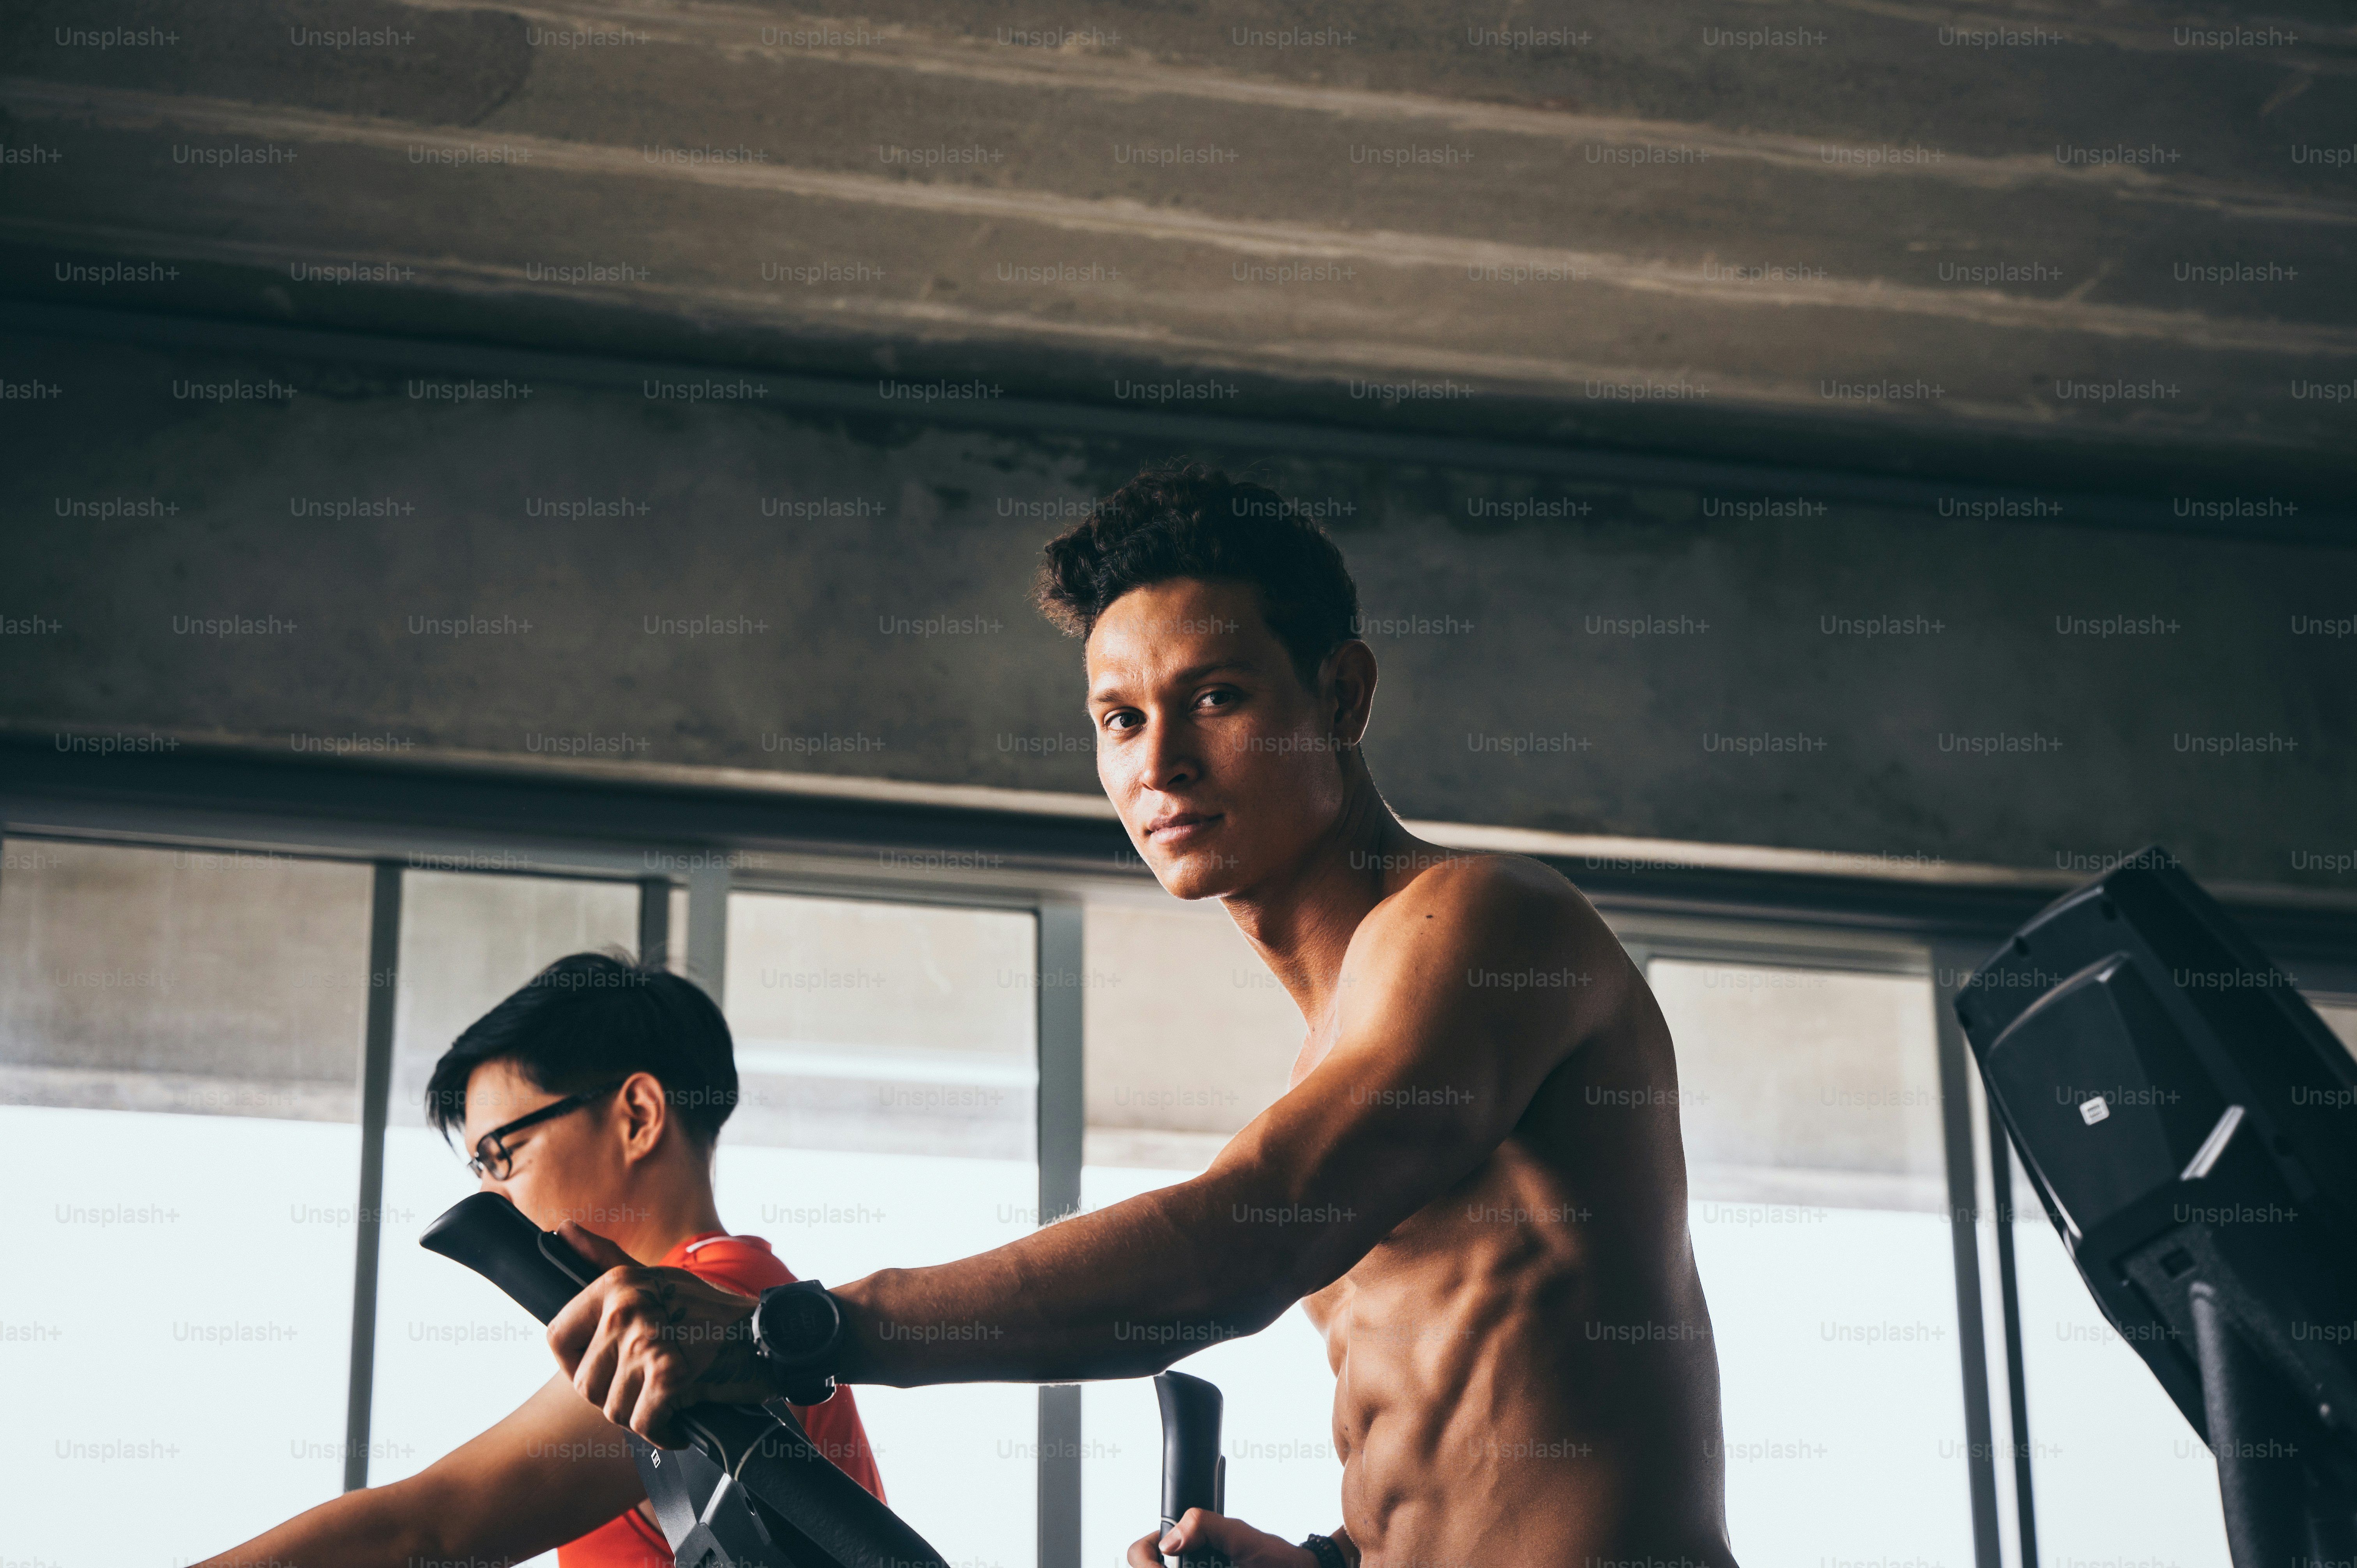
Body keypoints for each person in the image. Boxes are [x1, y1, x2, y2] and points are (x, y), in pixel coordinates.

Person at [549, 465, 1737, 1568]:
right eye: (1121, 720)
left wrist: (794, 1332)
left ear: (1342, 696)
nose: (1160, 763)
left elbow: (1237, 1246)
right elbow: (1482, 1427)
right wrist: (1330, 1559)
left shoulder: (1487, 920)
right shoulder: (1337, 1052)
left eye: (1216, 697)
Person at [191, 952, 885, 1568]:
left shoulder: (716, 1304)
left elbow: (431, 1532)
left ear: (639, 1117)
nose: (488, 1196)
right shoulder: (717, 1305)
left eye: (501, 1155)